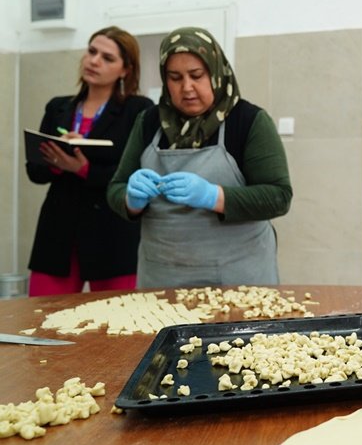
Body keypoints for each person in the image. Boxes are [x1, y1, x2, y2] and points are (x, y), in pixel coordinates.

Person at [107, 27, 292, 288]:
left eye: (197, 75)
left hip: (238, 278)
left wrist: (213, 196)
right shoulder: (149, 122)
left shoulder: (248, 121)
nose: (187, 87)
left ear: (216, 72)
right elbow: (116, 188)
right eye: (174, 77)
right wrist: (131, 199)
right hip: (162, 277)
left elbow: (279, 197)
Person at [26, 26, 153, 296]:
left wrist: (83, 169)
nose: (94, 61)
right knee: (39, 319)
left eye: (107, 58)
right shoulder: (57, 107)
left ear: (125, 70)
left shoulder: (138, 110)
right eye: (92, 51)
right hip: (58, 232)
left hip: (111, 233)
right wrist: (56, 162)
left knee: (115, 326)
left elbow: (137, 175)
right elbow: (35, 171)